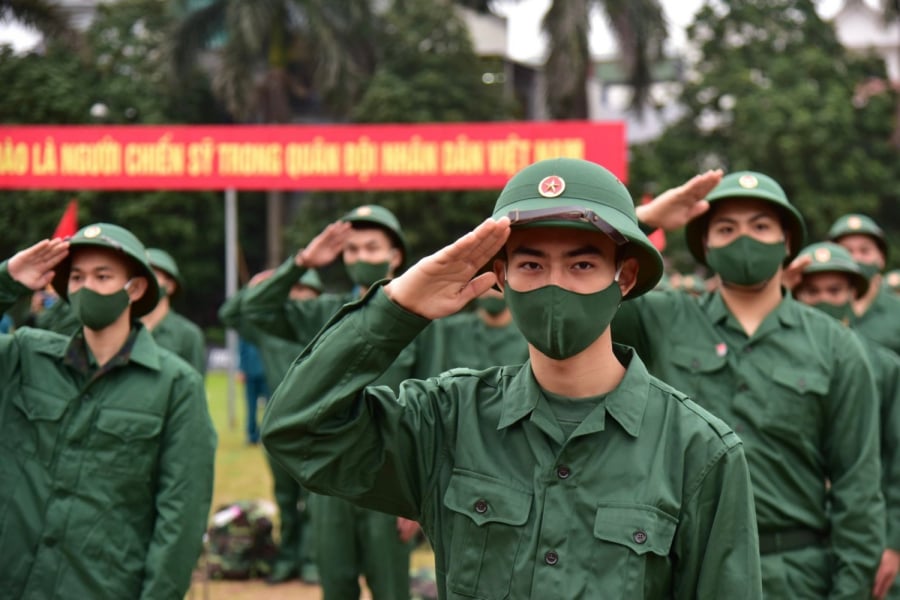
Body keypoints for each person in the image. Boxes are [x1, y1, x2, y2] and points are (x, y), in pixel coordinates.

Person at [262, 158, 762, 599]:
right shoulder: (448, 419)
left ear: (624, 278)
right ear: (500, 277)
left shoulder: (697, 450)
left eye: (582, 264)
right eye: (530, 264)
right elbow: (298, 431)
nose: (554, 284)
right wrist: (398, 305)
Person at [613, 170, 884, 597]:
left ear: (788, 241)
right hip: (676, 569)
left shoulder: (836, 347)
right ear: (704, 245)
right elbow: (588, 292)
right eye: (725, 228)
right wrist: (644, 219)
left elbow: (858, 487)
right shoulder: (662, 319)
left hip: (792, 574)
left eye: (760, 226)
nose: (744, 238)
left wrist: (850, 589)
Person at [236, 205, 443, 600]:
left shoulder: (424, 316)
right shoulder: (326, 313)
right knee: (336, 589)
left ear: (395, 255)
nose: (361, 258)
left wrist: (421, 491)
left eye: (371, 248)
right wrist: (300, 264)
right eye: (352, 251)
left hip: (391, 478)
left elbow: (434, 408)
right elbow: (252, 310)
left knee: (392, 590)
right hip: (329, 479)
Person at [0, 223, 216, 599]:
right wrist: (8, 280)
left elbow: (180, 518)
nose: (87, 288)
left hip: (100, 587)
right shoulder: (25, 355)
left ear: (134, 288)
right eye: (78, 277)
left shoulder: (176, 386)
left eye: (103, 276)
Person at [787, 241, 900, 600]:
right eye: (812, 291)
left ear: (854, 293)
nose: (823, 300)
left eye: (835, 291)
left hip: (865, 528)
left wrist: (893, 542)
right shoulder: (776, 361)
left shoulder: (882, 365)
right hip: (797, 539)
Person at [219, 267, 325, 585]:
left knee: (316, 497)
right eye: (293, 292)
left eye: (307, 293)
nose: (300, 299)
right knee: (284, 496)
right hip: (279, 427)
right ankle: (288, 556)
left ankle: (311, 558)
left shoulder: (327, 327)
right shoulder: (270, 330)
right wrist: (258, 285)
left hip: (319, 424)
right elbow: (230, 314)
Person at [828, 213, 900, 355]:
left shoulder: (896, 311)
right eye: (847, 250)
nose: (856, 258)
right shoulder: (817, 308)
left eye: (864, 251)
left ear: (881, 258)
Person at [141, 248, 207, 374]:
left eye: (152, 274)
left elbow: (195, 385)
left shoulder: (188, 334)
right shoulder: (124, 329)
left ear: (170, 286)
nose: (146, 281)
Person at [439, 286, 528, 370]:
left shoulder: (528, 338)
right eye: (487, 287)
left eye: (497, 287)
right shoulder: (450, 330)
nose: (491, 293)